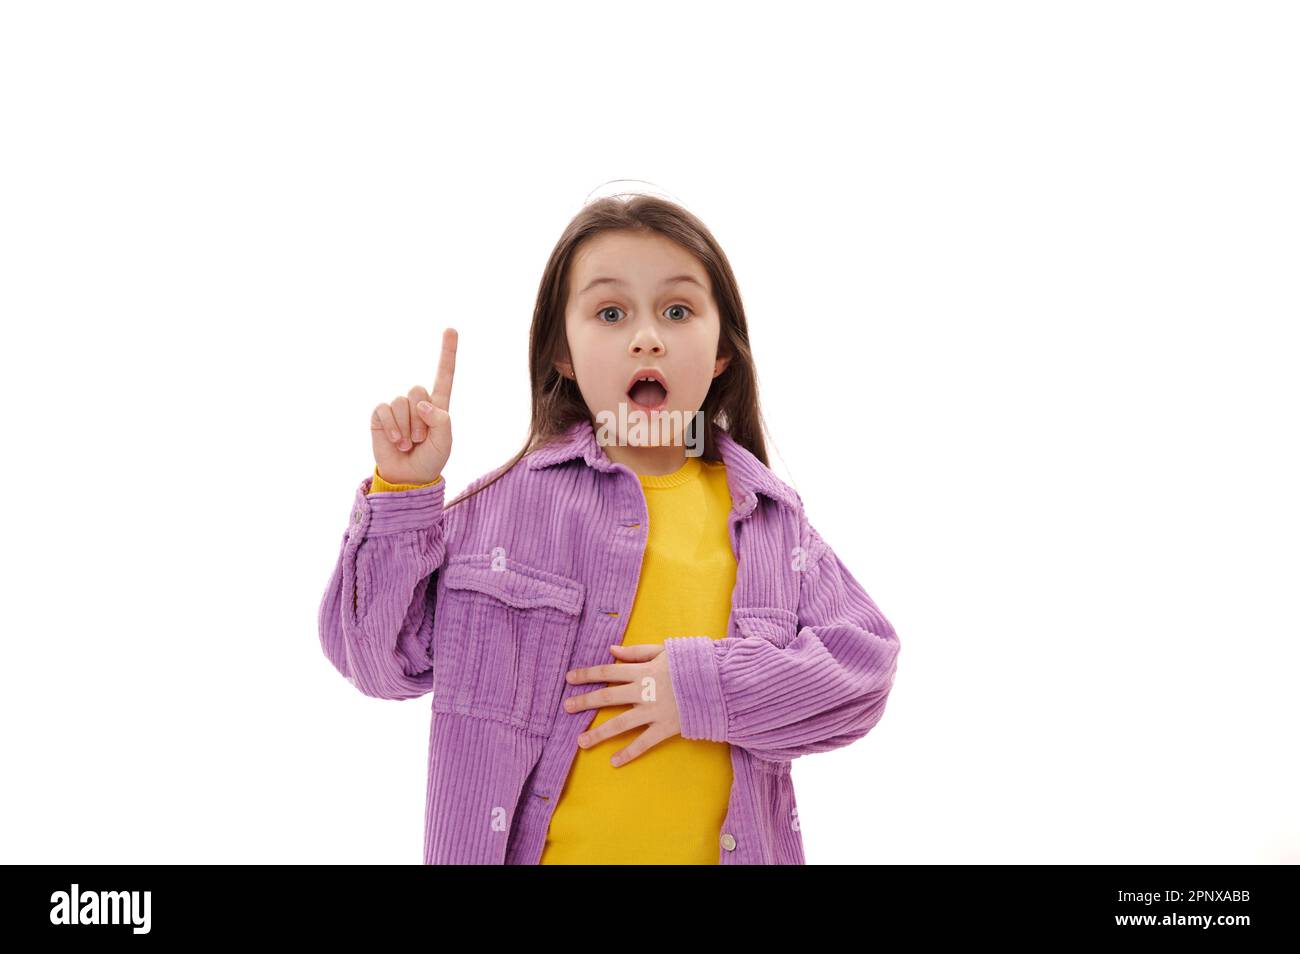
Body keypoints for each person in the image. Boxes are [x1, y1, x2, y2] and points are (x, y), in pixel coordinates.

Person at [318, 194, 901, 864]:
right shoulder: (504, 511)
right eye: (610, 312)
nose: (646, 335)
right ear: (562, 352)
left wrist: (701, 687)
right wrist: (406, 491)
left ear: (721, 355)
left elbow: (863, 670)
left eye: (678, 311)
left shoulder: (773, 522)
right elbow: (374, 660)